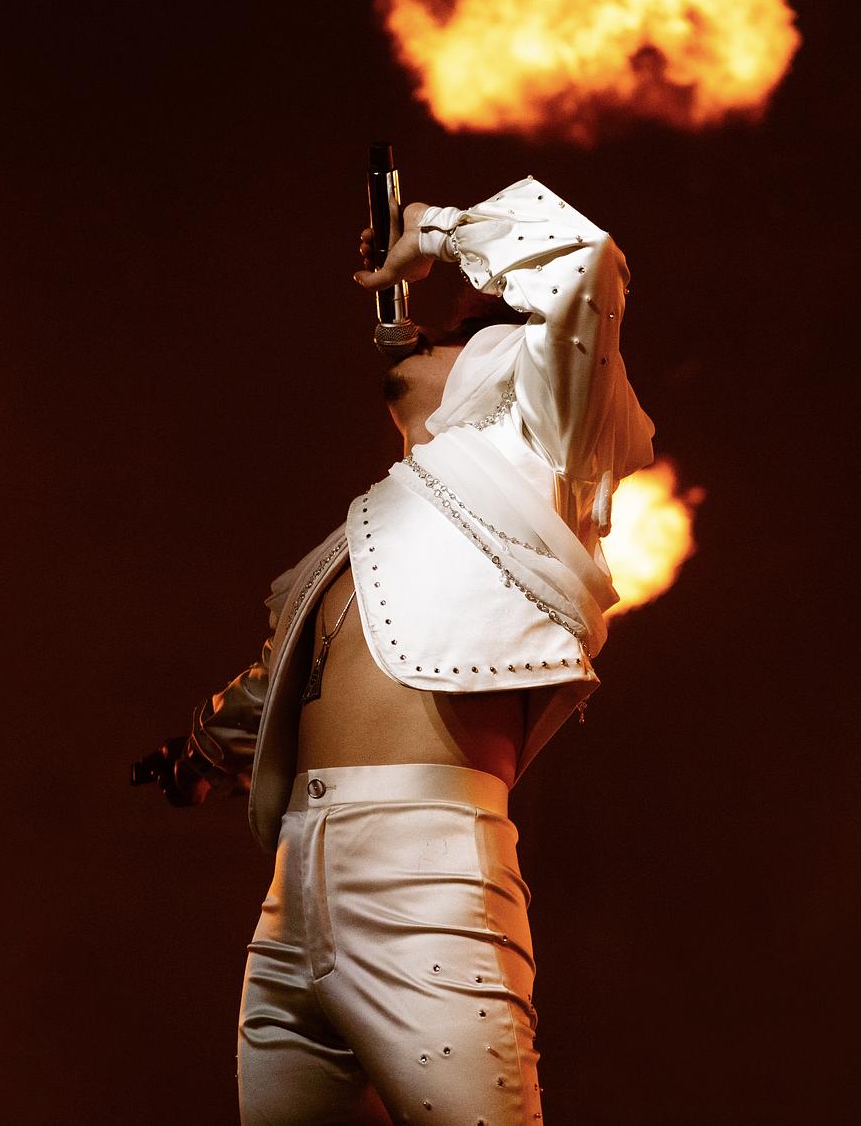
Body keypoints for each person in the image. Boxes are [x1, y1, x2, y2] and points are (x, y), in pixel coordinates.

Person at [152, 174, 655, 1124]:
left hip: (428, 880)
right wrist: (207, 749)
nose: (420, 332)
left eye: (452, 330)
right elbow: (280, 676)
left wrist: (432, 231)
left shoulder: (537, 453)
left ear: (510, 363)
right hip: (293, 889)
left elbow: (582, 263)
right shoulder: (369, 526)